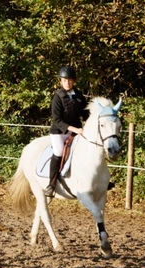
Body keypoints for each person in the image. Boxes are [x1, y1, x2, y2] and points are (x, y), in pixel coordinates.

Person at [44, 66, 89, 197]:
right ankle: (51, 184)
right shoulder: (57, 97)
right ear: (61, 81)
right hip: (59, 132)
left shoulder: (79, 96)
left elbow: (85, 114)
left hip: (76, 131)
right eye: (64, 80)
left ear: (73, 81)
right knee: (58, 152)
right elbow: (57, 119)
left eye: (69, 80)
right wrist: (74, 129)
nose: (67, 83)